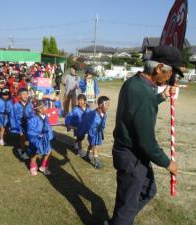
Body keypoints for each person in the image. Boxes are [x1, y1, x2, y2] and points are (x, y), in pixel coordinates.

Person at [106, 46, 180, 225]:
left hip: (129, 152)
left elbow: (139, 108)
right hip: (133, 156)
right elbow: (147, 143)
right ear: (159, 68)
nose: (171, 78)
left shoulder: (134, 83)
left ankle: (119, 219)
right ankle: (120, 220)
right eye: (170, 73)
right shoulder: (144, 93)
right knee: (128, 206)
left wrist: (161, 96)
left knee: (147, 191)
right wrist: (167, 163)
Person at [78, 96, 110, 169]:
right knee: (94, 146)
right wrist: (92, 136)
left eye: (108, 105)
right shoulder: (93, 115)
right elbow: (90, 126)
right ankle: (96, 162)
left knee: (92, 144)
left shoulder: (105, 114)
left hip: (98, 132)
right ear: (101, 105)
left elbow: (103, 124)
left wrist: (101, 130)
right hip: (92, 133)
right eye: (107, 105)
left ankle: (87, 155)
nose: (108, 107)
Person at [27, 100, 53, 176]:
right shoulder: (32, 119)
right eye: (45, 106)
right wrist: (38, 135)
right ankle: (33, 167)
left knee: (48, 152)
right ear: (39, 109)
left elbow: (48, 127)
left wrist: (49, 136)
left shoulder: (46, 117)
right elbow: (30, 131)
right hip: (36, 139)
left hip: (45, 138)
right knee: (35, 153)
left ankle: (43, 166)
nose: (46, 108)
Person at [10, 88, 35, 159]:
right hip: (19, 124)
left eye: (27, 94)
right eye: (23, 94)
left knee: (30, 137)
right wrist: (17, 129)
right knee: (22, 138)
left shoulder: (30, 105)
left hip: (28, 124)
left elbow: (32, 115)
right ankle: (23, 151)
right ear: (19, 96)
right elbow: (13, 117)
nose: (26, 96)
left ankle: (29, 149)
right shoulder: (15, 106)